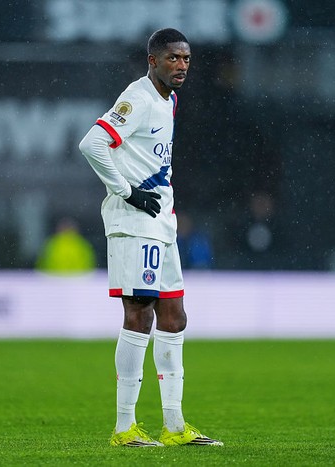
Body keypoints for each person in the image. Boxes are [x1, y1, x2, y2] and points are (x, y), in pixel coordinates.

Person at [79, 28, 222, 447]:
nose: (181, 66)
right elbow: (93, 143)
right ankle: (125, 427)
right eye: (173, 58)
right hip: (133, 220)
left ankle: (175, 426)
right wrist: (127, 191)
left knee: (174, 317)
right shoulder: (138, 97)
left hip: (161, 221)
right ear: (152, 60)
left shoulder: (169, 100)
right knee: (139, 315)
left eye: (187, 59)